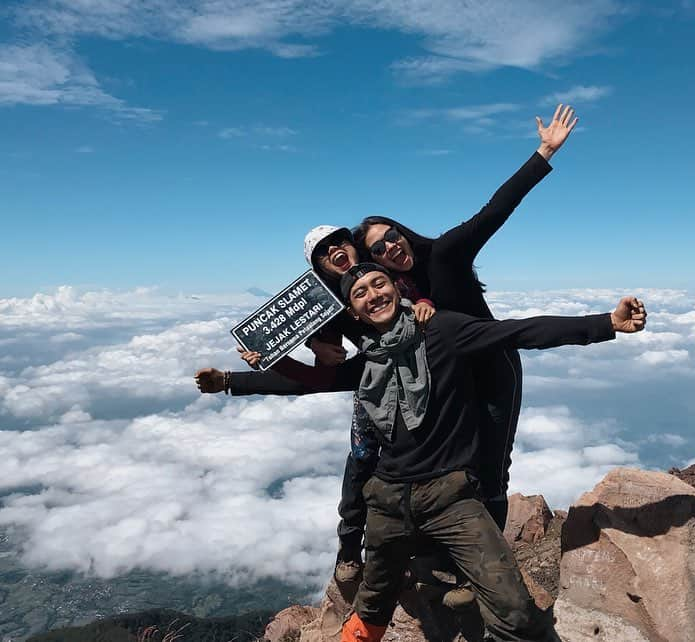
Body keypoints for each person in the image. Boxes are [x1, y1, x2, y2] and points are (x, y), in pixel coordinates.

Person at [267, 263, 646, 642]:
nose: (373, 295)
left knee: (513, 609)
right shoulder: (370, 358)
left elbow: (518, 331)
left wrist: (607, 323)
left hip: (450, 499)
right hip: (386, 502)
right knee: (372, 607)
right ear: (353, 310)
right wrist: (231, 380)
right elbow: (309, 382)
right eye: (360, 292)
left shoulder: (442, 331)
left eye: (379, 284)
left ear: (396, 288)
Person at [354, 104, 578, 531]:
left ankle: (488, 559)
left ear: (402, 231)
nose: (390, 249)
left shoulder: (445, 253)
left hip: (494, 367)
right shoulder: (390, 293)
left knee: (491, 468)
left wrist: (544, 153)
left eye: (391, 236)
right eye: (378, 250)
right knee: (459, 466)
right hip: (451, 382)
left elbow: (494, 212)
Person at [195, 224, 435, 585]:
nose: (335, 250)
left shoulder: (381, 269)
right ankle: (351, 550)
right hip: (375, 384)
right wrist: (304, 350)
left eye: (339, 241)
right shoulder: (326, 305)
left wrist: (425, 303)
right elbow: (321, 379)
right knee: (361, 463)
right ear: (319, 267)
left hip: (424, 378)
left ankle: (425, 545)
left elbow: (425, 292)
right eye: (323, 251)